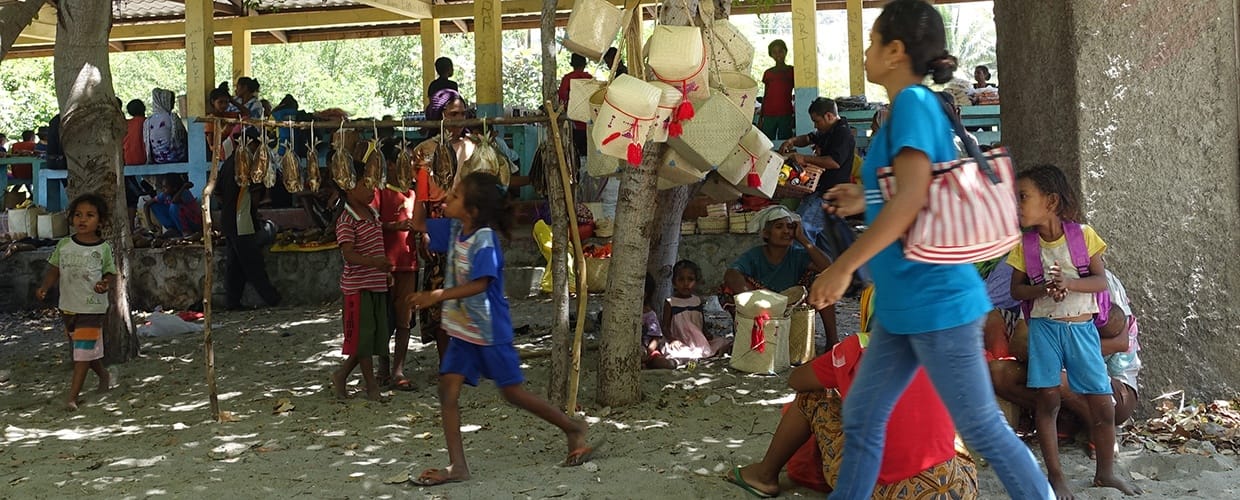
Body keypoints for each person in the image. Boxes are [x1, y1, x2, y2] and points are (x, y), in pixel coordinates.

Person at [806, 2, 1051, 498]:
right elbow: (915, 190)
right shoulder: (906, 108)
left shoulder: (914, 105)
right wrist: (865, 197)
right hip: (905, 305)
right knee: (864, 416)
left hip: (936, 303)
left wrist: (843, 267)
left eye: (872, 42)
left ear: (895, 51)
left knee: (982, 427)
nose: (866, 52)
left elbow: (913, 198)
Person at [406, 171, 593, 486]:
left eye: (455, 195)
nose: (447, 197)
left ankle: (572, 428)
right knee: (447, 391)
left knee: (513, 393)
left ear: (472, 211)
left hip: (489, 331)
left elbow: (480, 284)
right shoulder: (455, 228)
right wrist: (421, 182)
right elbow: (418, 223)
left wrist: (435, 296)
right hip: (463, 331)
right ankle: (458, 466)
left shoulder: (485, 240)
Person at [726, 310, 978, 498]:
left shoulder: (856, 349)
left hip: (887, 491)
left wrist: (837, 375)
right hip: (954, 488)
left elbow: (797, 380)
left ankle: (764, 476)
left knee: (811, 397)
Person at [1006, 164, 1138, 498]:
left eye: (1023, 197)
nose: (1016, 205)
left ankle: (1105, 473)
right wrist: (1044, 289)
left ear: (1051, 201)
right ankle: (1056, 477)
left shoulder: (1083, 236)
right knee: (1047, 402)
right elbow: (1017, 291)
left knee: (1102, 405)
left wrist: (1069, 283)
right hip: (1045, 330)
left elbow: (1100, 282)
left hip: (1082, 330)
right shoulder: (1025, 246)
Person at [991, 270, 1142, 449]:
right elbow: (1019, 343)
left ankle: (1099, 427)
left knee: (1061, 378)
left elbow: (1121, 342)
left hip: (1112, 389)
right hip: (1058, 372)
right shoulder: (1041, 281)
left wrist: (1067, 351)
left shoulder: (1102, 281)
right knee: (998, 373)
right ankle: (1067, 418)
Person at [35, 193, 115, 411]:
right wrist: (44, 287)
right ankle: (104, 375)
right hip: (68, 308)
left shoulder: (103, 248)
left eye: (89, 215)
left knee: (81, 353)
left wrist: (105, 284)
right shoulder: (64, 244)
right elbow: (54, 269)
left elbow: (110, 273)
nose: (83, 219)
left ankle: (72, 397)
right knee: (83, 350)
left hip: (92, 307)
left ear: (100, 221)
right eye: (78, 215)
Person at [413, 88, 474, 362]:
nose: (458, 119)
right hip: (438, 224)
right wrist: (422, 232)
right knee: (439, 298)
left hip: (468, 226)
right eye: (453, 114)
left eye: (462, 114)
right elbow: (421, 196)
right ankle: (445, 361)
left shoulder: (476, 147)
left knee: (467, 295)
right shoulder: (425, 151)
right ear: (440, 115)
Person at [723, 206, 838, 346]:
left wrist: (803, 239)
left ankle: (832, 341)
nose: (786, 231)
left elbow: (829, 269)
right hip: (762, 308)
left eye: (790, 227)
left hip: (793, 306)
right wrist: (754, 298)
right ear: (766, 234)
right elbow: (731, 274)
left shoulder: (797, 254)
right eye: (779, 227)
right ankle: (746, 336)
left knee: (825, 282)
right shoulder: (755, 255)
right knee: (727, 289)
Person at [330, 161, 394, 402]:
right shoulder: (347, 219)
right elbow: (348, 254)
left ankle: (342, 375)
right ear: (348, 187)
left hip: (376, 284)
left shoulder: (373, 214)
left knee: (372, 337)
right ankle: (371, 386)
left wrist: (383, 271)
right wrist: (374, 263)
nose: (372, 189)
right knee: (364, 340)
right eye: (365, 184)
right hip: (358, 287)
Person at [777, 97, 856, 245]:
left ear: (829, 116)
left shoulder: (842, 134)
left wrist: (804, 158)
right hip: (819, 191)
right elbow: (808, 138)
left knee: (802, 230)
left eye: (817, 121)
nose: (815, 125)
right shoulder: (827, 130)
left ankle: (802, 258)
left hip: (830, 193)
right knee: (824, 238)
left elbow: (834, 162)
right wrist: (792, 141)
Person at [373, 141, 419, 391]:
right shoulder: (379, 193)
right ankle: (382, 367)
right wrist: (394, 226)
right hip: (385, 265)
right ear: (390, 165)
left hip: (408, 264)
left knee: (404, 319)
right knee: (383, 319)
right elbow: (370, 224)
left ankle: (398, 369)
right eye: (403, 162)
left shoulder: (412, 194)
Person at [217, 147, 282, 310]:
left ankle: (232, 301)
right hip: (242, 221)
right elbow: (254, 196)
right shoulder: (248, 163)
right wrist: (250, 211)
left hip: (228, 219)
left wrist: (230, 205)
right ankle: (272, 298)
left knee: (235, 263)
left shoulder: (228, 163)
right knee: (253, 262)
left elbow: (217, 192)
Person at [662, 260, 730, 361]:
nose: (686, 283)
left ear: (696, 282)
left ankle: (700, 355)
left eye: (690, 279)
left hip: (698, 342)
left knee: (722, 341)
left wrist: (706, 334)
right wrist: (672, 340)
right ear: (674, 282)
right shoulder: (671, 302)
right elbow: (665, 327)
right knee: (677, 351)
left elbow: (701, 322)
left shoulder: (696, 301)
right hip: (680, 341)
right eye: (681, 279)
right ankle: (691, 358)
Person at [557, 53, 593, 163]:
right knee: (589, 152)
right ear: (585, 64)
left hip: (573, 121)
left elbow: (562, 97)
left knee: (575, 153)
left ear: (572, 64)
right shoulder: (590, 79)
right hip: (589, 122)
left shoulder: (568, 79)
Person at [758, 40, 796, 141]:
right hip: (769, 114)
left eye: (780, 51)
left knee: (786, 142)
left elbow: (798, 92)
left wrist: (796, 115)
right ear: (771, 55)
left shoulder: (792, 71)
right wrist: (761, 117)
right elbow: (766, 95)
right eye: (774, 52)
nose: (778, 54)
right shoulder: (768, 73)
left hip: (786, 113)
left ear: (785, 52)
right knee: (766, 142)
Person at [641, 274, 677, 370]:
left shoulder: (649, 314)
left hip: (648, 351)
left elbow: (656, 338)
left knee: (665, 364)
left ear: (646, 294)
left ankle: (677, 362)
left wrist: (648, 354)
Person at [149, 174, 202, 238]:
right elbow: (147, 204)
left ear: (174, 188)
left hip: (193, 223)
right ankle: (172, 228)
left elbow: (174, 201)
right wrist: (150, 224)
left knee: (174, 206)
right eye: (163, 187)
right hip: (178, 223)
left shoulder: (185, 193)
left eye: (165, 187)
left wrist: (183, 187)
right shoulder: (165, 194)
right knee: (155, 205)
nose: (163, 189)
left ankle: (186, 231)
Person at [145, 88, 189, 164]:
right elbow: (182, 136)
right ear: (165, 102)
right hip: (175, 157)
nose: (173, 105)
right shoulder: (172, 117)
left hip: (158, 159)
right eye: (171, 102)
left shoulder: (148, 121)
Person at [123, 99, 148, 166]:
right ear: (144, 108)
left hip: (128, 160)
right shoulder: (147, 122)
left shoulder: (126, 124)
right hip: (143, 160)